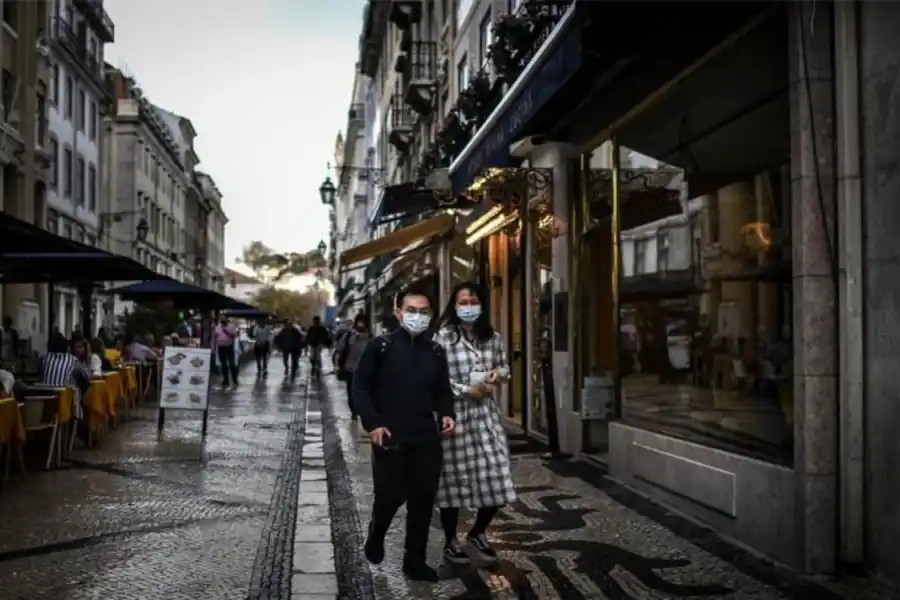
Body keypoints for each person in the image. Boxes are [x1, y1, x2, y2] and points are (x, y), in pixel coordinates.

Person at [352, 287, 456, 582]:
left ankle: (415, 561)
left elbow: (442, 391)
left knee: (423, 500)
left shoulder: (436, 351)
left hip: (425, 436)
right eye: (411, 310)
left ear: (431, 315)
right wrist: (372, 424)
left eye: (424, 311)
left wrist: (448, 414)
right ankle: (377, 531)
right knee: (390, 496)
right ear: (398, 313)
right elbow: (360, 388)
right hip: (389, 436)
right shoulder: (380, 347)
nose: (418, 316)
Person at [434, 281, 516, 565]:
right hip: (454, 417)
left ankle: (478, 532)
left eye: (473, 301)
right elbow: (435, 379)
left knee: (498, 475)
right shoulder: (443, 338)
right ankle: (449, 540)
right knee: (452, 482)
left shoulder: (492, 336)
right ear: (454, 306)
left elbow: (506, 368)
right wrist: (465, 390)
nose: (468, 306)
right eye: (463, 301)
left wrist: (497, 374)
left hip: (486, 416)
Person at [333, 313, 372, 421]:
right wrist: (336, 365)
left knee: (365, 392)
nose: (361, 324)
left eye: (363, 322)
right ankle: (354, 412)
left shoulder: (371, 338)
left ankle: (363, 411)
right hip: (350, 369)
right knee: (351, 392)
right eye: (359, 322)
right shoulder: (348, 336)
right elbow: (339, 351)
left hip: (366, 370)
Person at [42, 332, 83, 420]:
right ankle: (78, 419)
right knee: (77, 389)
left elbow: (40, 374)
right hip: (63, 398)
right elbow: (82, 374)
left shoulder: (45, 358)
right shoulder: (72, 359)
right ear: (66, 347)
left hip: (45, 397)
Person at [214, 317, 239, 388]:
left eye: (223, 321)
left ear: (226, 321)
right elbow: (215, 336)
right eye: (221, 321)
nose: (222, 322)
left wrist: (225, 331)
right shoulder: (218, 327)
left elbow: (233, 336)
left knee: (232, 364)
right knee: (223, 365)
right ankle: (226, 380)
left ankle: (234, 379)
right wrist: (213, 346)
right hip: (221, 347)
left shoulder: (231, 326)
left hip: (229, 347)